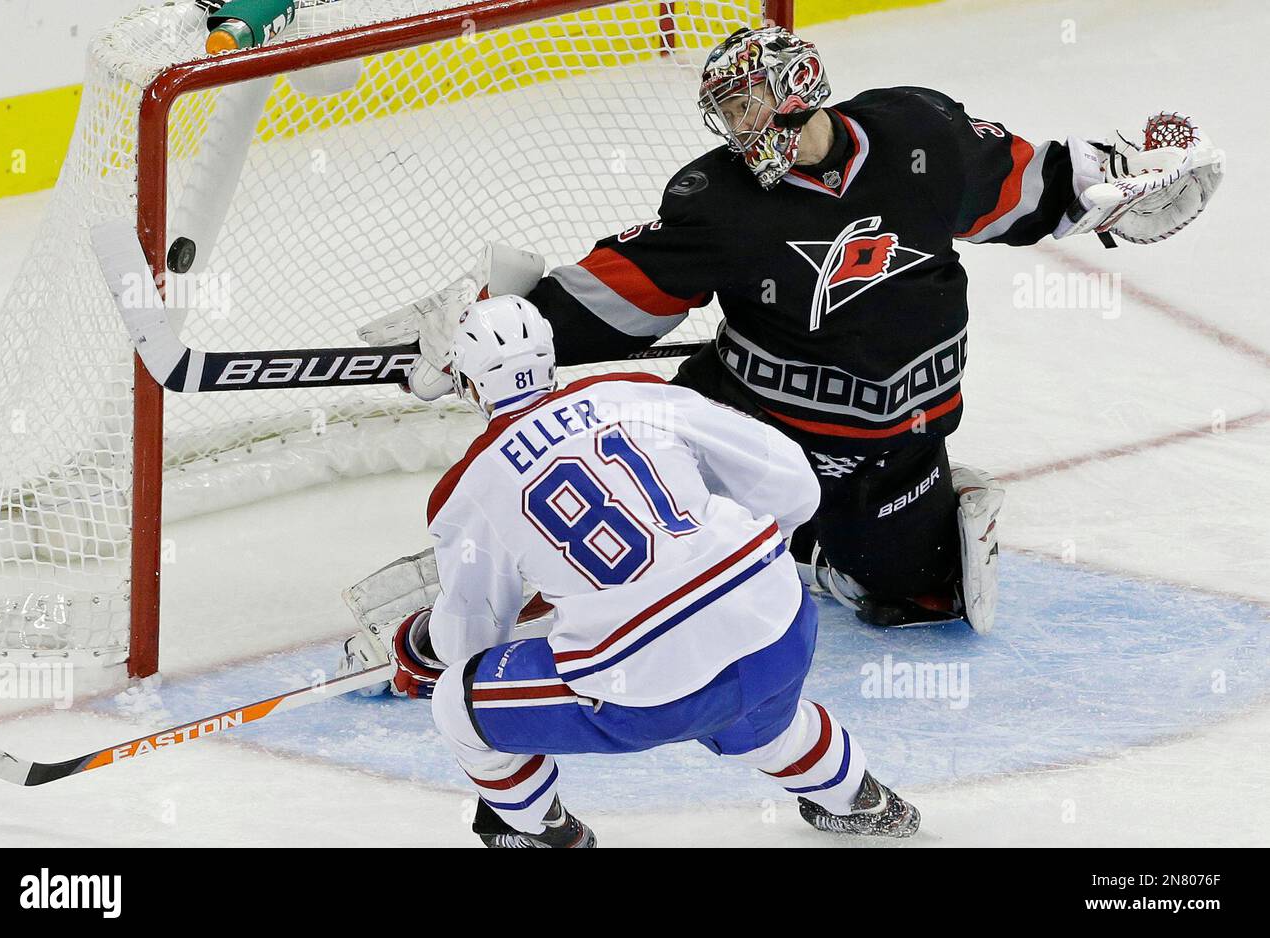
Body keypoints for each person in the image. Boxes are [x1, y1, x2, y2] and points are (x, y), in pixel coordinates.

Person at [364, 26, 1223, 634]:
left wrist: (1112, 187)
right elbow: (623, 295)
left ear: (800, 90)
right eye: (726, 115)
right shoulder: (720, 199)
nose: (738, 131)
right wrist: (504, 332)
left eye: (747, 106)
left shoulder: (919, 136)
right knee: (640, 545)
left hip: (897, 436)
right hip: (746, 421)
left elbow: (1026, 185)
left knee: (917, 603)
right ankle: (479, 593)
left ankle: (878, 521)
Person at [338, 294, 919, 847]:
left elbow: (475, 637)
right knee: (756, 711)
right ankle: (858, 800)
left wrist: (421, 653)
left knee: (460, 708)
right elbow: (790, 480)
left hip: (647, 690)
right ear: (550, 356)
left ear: (467, 383)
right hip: (782, 626)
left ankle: (541, 831)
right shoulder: (636, 394)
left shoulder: (469, 490)